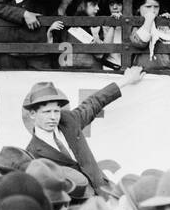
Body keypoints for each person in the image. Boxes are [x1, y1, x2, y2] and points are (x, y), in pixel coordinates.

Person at [20, 69, 143, 198]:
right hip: (77, 205)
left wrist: (126, 80)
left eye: (56, 111)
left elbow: (94, 102)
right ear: (33, 114)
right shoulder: (32, 152)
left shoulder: (69, 120)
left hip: (105, 192)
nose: (53, 117)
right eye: (46, 112)